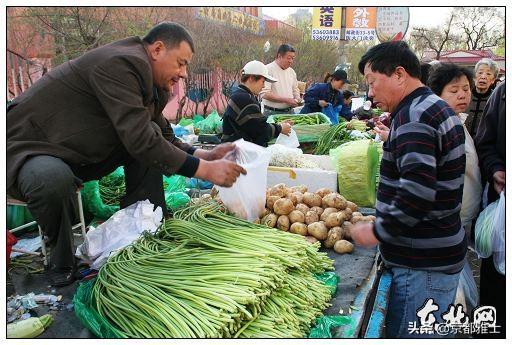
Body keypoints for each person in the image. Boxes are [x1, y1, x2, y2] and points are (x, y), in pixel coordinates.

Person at [6, 22, 246, 287]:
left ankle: (145, 234)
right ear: (157, 49)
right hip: (26, 148)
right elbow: (141, 139)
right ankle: (60, 259)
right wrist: (202, 170)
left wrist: (202, 154)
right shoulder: (120, 65)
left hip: (73, 152)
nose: (184, 73)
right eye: (180, 63)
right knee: (51, 178)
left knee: (150, 146)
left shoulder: (151, 82)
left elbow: (160, 132)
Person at [351, 41, 467, 338]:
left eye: (373, 82)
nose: (371, 93)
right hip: (434, 256)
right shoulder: (430, 107)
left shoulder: (414, 116)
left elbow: (417, 193)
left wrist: (378, 230)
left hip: (422, 265)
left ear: (399, 74)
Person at [474, 81, 506, 338]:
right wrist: (495, 169)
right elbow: (485, 143)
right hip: (503, 207)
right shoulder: (503, 94)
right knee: (497, 284)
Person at [221, 60, 292, 147]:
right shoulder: (244, 99)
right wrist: (280, 128)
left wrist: (277, 126)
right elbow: (261, 132)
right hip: (237, 153)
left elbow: (254, 125)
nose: (264, 86)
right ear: (251, 78)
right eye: (262, 82)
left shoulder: (241, 94)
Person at [261, 44, 302, 115]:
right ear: (279, 56)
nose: (291, 61)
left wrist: (298, 99)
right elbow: (264, 94)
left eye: (292, 58)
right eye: (288, 58)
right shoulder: (267, 69)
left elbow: (295, 89)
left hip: (289, 112)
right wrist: (286, 100)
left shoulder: (291, 72)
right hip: (272, 112)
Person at [466, 58, 498, 138]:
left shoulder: (496, 100)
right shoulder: (464, 95)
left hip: (484, 146)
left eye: (488, 74)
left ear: (493, 80)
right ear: (474, 77)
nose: (483, 76)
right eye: (480, 73)